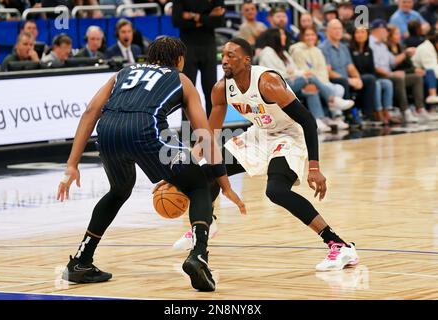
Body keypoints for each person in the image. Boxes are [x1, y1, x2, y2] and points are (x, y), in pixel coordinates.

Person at [56, 36, 246, 292]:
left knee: (119, 190)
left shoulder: (124, 72)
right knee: (199, 184)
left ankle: (81, 261)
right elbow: (205, 135)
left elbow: (91, 111)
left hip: (108, 131)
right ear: (179, 60)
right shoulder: (181, 79)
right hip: (146, 131)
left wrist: (72, 164)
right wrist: (224, 183)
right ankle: (198, 255)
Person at [174, 38, 359, 271]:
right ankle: (205, 224)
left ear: (247, 60)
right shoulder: (221, 89)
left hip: (290, 134)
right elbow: (210, 134)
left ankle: (339, 245)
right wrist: (191, 157)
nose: (225, 60)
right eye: (224, 55)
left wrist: (314, 167)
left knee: (276, 191)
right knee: (204, 174)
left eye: (232, 55)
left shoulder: (267, 82)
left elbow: (307, 120)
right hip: (260, 134)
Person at [172, 0, 225, 120]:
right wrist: (207, 18)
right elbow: (177, 21)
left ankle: (213, 133)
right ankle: (186, 135)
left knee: (211, 92)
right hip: (187, 47)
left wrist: (194, 16)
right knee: (186, 93)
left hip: (209, 46)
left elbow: (220, 21)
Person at [320, 19, 377, 124]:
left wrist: (358, 79)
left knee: (369, 79)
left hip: (347, 79)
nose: (338, 31)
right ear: (327, 31)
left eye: (340, 29)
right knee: (343, 81)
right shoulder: (323, 48)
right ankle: (348, 115)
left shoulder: (343, 47)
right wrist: (349, 80)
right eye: (335, 29)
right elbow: (328, 72)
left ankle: (368, 115)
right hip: (333, 80)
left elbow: (350, 67)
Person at [369, 19, 423, 123]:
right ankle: (405, 111)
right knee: (398, 78)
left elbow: (393, 61)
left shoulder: (382, 45)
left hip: (388, 74)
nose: (387, 33)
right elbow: (375, 67)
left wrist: (405, 53)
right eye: (386, 30)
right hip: (378, 75)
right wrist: (391, 73)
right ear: (379, 30)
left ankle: (420, 109)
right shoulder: (370, 44)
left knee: (416, 78)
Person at [350, 26, 397, 125]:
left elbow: (372, 69)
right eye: (357, 33)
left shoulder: (369, 50)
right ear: (353, 35)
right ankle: (377, 112)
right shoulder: (350, 50)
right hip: (357, 78)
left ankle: (386, 111)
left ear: (367, 35)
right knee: (375, 83)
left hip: (370, 77)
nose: (360, 35)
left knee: (387, 83)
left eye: (363, 32)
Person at [387, 24, 438, 112]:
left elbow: (409, 65)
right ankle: (405, 110)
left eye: (399, 33)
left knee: (422, 75)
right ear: (389, 36)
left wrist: (414, 70)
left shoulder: (401, 46)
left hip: (407, 72)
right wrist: (405, 55)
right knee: (423, 75)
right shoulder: (386, 48)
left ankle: (421, 108)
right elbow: (391, 65)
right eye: (396, 34)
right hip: (393, 74)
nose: (400, 36)